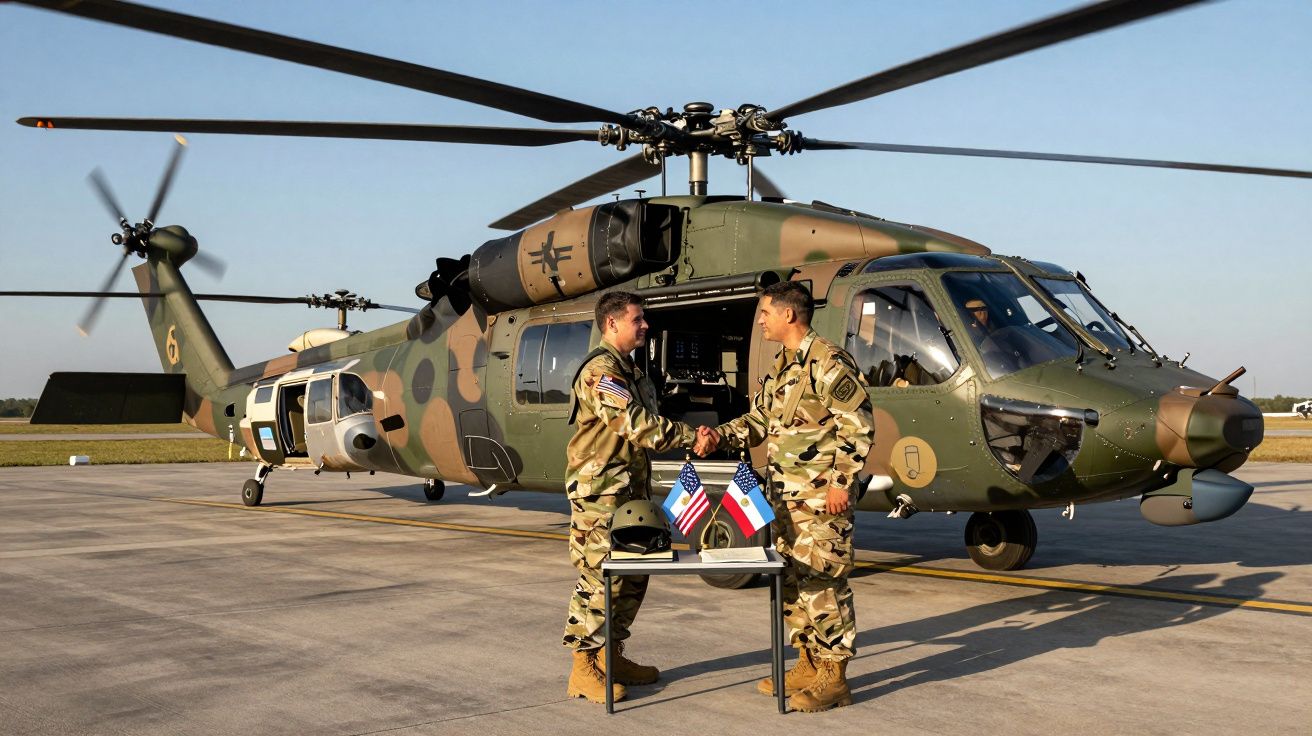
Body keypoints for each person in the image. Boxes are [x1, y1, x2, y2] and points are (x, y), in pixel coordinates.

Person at [695, 281, 874, 712]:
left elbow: (858, 423)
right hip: (785, 498)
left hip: (818, 500)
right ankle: (808, 662)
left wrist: (841, 483)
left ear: (789, 315)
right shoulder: (783, 364)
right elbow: (760, 419)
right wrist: (720, 434)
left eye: (765, 313)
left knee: (824, 582)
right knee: (793, 581)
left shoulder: (828, 362)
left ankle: (835, 677)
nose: (760, 320)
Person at [563, 290, 697, 704]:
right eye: (637, 319)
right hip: (601, 494)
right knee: (600, 576)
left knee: (635, 576)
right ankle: (583, 668)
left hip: (630, 493)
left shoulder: (633, 373)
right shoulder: (601, 373)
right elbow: (639, 427)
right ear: (612, 324)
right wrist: (696, 437)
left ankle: (612, 654)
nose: (645, 325)